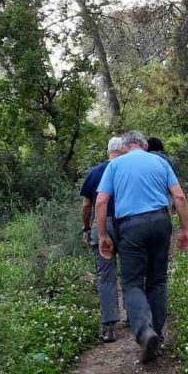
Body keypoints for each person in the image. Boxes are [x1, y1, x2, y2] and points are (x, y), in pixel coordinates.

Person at [95, 131, 188, 364]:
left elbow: (100, 201)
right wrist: (185, 229)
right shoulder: (160, 162)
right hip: (160, 222)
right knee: (158, 282)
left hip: (131, 227)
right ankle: (157, 337)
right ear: (144, 145)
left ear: (125, 146)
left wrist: (102, 235)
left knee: (132, 283)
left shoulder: (115, 165)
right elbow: (178, 196)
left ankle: (144, 331)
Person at [80, 137, 124, 343]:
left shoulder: (95, 172)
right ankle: (136, 318)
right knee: (132, 271)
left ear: (107, 151)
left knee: (106, 276)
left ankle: (108, 327)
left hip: (101, 225)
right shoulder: (127, 169)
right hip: (126, 223)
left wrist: (87, 227)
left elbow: (87, 205)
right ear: (122, 150)